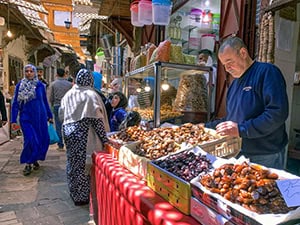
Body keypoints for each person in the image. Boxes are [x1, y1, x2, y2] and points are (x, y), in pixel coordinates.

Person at [205, 36, 289, 169]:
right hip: (239, 152)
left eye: (229, 62)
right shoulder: (234, 84)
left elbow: (277, 113)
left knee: (269, 189)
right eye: (224, 65)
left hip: (266, 154)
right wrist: (204, 127)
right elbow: (231, 119)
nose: (227, 69)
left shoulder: (267, 72)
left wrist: (241, 129)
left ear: (243, 53)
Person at [59, 68, 109, 206]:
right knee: (84, 166)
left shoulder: (69, 94)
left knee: (72, 163)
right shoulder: (90, 95)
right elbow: (97, 120)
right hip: (83, 134)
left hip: (69, 132)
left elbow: (60, 114)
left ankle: (74, 192)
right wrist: (105, 139)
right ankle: (82, 197)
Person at [10, 64, 53, 176]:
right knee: (29, 139)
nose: (29, 73)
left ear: (34, 72)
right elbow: (15, 104)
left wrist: (49, 115)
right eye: (27, 71)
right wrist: (13, 120)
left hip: (39, 118)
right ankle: (28, 163)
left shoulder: (40, 86)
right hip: (26, 118)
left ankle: (34, 159)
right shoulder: (20, 86)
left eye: (31, 71)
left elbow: (44, 101)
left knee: (41, 140)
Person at [48, 68, 72, 151]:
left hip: (57, 106)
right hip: (68, 106)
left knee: (58, 126)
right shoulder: (69, 85)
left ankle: (60, 145)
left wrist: (50, 107)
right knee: (68, 125)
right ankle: (69, 144)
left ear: (57, 74)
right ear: (65, 74)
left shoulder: (53, 84)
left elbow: (50, 98)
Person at [198, 49, 217, 116]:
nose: (200, 61)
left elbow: (210, 87)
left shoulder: (213, 71)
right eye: (199, 59)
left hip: (209, 107)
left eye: (202, 58)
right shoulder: (198, 71)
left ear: (209, 58)